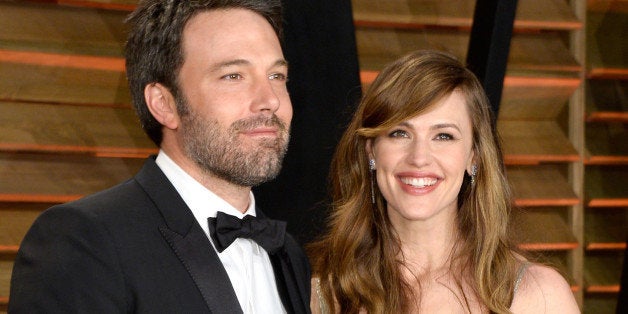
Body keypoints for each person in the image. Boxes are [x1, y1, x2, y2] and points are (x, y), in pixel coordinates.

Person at [9, 0, 310, 313]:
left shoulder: (288, 253)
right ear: (164, 104)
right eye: (233, 76)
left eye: (277, 76)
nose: (270, 101)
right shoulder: (82, 241)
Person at [308, 50, 579, 313]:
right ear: (371, 151)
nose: (419, 157)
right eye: (400, 133)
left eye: (444, 136)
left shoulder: (538, 296)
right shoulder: (323, 295)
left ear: (474, 157)